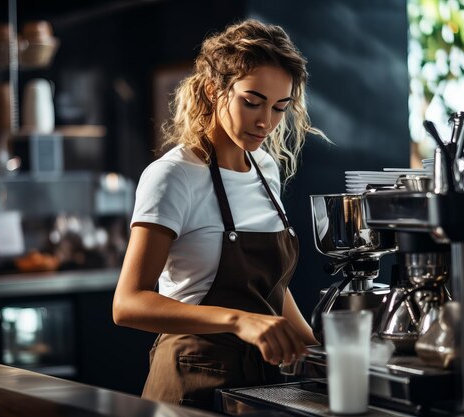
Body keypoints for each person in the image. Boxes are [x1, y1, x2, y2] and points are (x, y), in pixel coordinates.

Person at [112, 18, 327, 410]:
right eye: (252, 101)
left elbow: (268, 289)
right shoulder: (173, 176)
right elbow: (128, 304)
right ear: (214, 90)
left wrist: (315, 351)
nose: (266, 122)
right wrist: (238, 320)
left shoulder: (265, 168)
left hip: (259, 389)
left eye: (280, 107)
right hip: (191, 382)